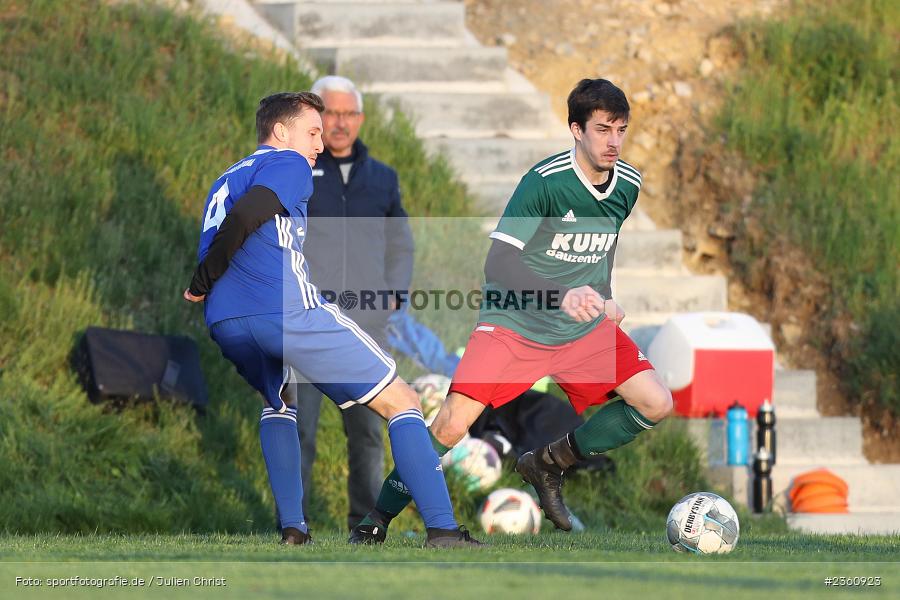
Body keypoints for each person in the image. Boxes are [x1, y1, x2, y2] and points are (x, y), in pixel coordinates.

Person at [350, 79, 673, 544]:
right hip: (514, 324)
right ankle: (376, 519)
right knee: (451, 425)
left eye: (621, 130)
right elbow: (498, 262)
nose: (614, 141)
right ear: (575, 129)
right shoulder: (543, 184)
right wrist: (560, 295)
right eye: (603, 129)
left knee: (655, 402)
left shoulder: (628, 185)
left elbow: (597, 253)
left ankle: (548, 462)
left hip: (580, 331)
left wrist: (604, 299)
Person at [183, 91, 478, 547]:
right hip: (285, 310)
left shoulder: (228, 174)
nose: (319, 144)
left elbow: (234, 221)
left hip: (226, 321)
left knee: (280, 402)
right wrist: (203, 277)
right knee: (402, 400)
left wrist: (206, 286)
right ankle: (441, 529)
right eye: (312, 131)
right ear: (281, 132)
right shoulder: (289, 162)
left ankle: (294, 530)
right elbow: (247, 215)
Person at [293, 75, 415, 531]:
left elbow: (400, 244)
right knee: (298, 427)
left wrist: (393, 295)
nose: (338, 123)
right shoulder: (295, 172)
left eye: (347, 114)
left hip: (365, 324)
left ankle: (367, 524)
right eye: (329, 112)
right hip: (303, 321)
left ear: (360, 119)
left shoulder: (382, 178)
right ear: (313, 117)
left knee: (366, 432)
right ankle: (293, 525)